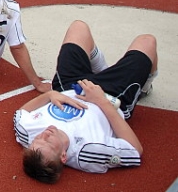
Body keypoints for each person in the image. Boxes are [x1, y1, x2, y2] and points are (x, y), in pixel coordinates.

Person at [14, 20, 158, 183]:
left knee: (78, 27)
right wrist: (101, 101)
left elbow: (20, 114)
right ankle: (144, 88)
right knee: (148, 41)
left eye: (38, 139)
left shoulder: (27, 135)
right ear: (63, 156)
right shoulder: (88, 152)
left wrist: (50, 96)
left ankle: (102, 70)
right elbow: (134, 149)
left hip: (70, 86)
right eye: (48, 141)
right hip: (111, 95)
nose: (45, 134)